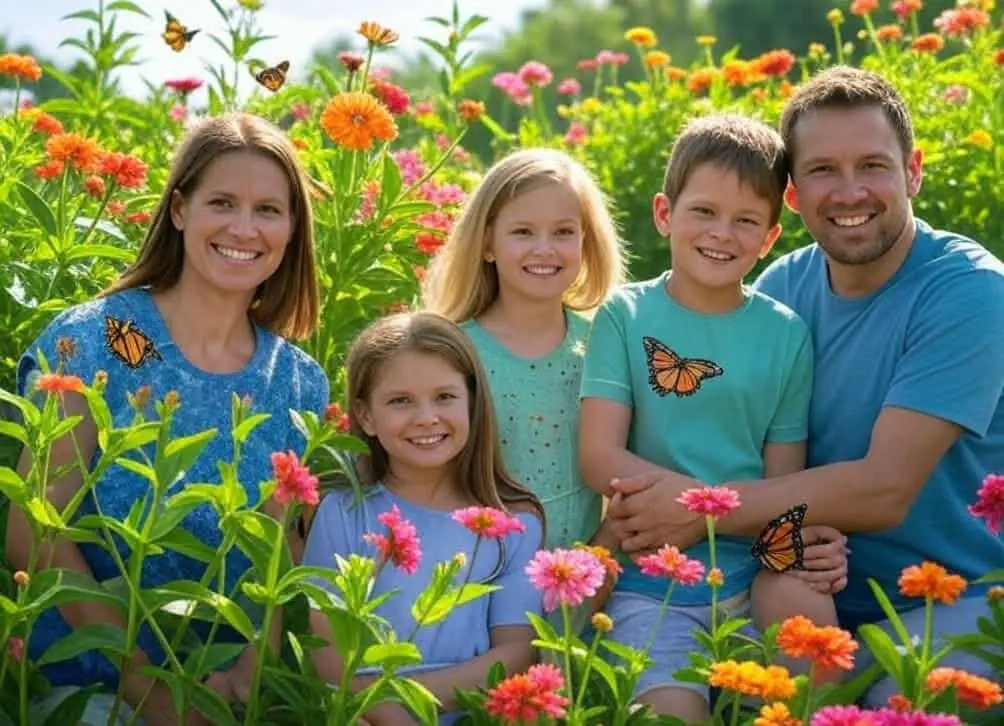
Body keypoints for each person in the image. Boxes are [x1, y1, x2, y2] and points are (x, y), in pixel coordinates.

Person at [605, 67, 1004, 706]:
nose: (850, 192)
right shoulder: (779, 295)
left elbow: (882, 491)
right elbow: (735, 445)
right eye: (822, 170)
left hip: (948, 596)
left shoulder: (968, 291)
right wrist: (781, 527)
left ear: (914, 171)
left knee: (890, 709)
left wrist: (701, 506)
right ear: (791, 195)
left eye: (873, 165)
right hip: (795, 579)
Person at [10, 113, 330, 725]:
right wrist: (157, 697)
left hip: (228, 700)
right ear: (179, 209)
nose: (244, 228)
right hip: (90, 691)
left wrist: (244, 677)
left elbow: (274, 557)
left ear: (292, 228)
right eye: (222, 202)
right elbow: (33, 531)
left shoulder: (297, 381)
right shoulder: (101, 338)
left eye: (268, 209)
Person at [578, 114, 849, 722]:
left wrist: (696, 506)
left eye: (746, 220)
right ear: (664, 213)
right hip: (652, 584)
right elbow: (599, 458)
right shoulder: (624, 315)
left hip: (757, 577)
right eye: (703, 211)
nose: (722, 234)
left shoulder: (785, 334)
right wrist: (705, 507)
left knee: (808, 664)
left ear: (771, 236)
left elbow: (782, 484)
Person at [301, 311, 545, 725]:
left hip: (471, 713)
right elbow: (326, 656)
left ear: (472, 400)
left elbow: (516, 652)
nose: (426, 417)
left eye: (444, 397)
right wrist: (389, 714)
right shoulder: (341, 512)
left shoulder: (511, 524)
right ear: (365, 416)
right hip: (366, 715)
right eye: (400, 401)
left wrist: (406, 703)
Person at [422, 148, 626, 551]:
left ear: (586, 241)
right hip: (476, 582)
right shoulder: (453, 352)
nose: (544, 249)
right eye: (523, 232)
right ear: (487, 243)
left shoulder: (606, 345)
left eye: (564, 232)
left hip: (582, 589)